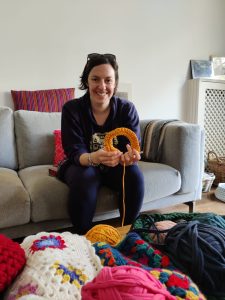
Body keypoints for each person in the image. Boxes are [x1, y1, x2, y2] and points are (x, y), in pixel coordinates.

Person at [59, 53, 144, 234]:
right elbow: (74, 151)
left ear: (115, 83)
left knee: (135, 174)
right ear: (87, 81)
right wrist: (93, 158)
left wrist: (130, 157)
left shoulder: (126, 109)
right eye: (95, 79)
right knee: (86, 177)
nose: (102, 86)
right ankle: (82, 236)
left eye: (108, 80)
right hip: (83, 164)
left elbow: (132, 146)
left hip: (116, 165)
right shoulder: (71, 109)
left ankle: (128, 233)